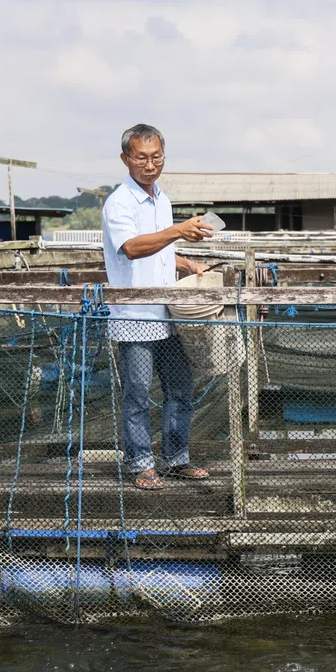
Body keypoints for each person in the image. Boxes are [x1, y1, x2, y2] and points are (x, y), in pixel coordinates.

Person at [101, 124, 214, 491]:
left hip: (167, 313)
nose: (149, 165)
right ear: (125, 159)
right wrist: (179, 230)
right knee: (137, 393)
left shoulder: (161, 200)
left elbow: (160, 249)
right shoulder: (119, 202)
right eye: (141, 157)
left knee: (180, 389)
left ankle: (175, 459)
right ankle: (140, 463)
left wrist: (189, 266)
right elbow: (132, 248)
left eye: (156, 157)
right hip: (134, 314)